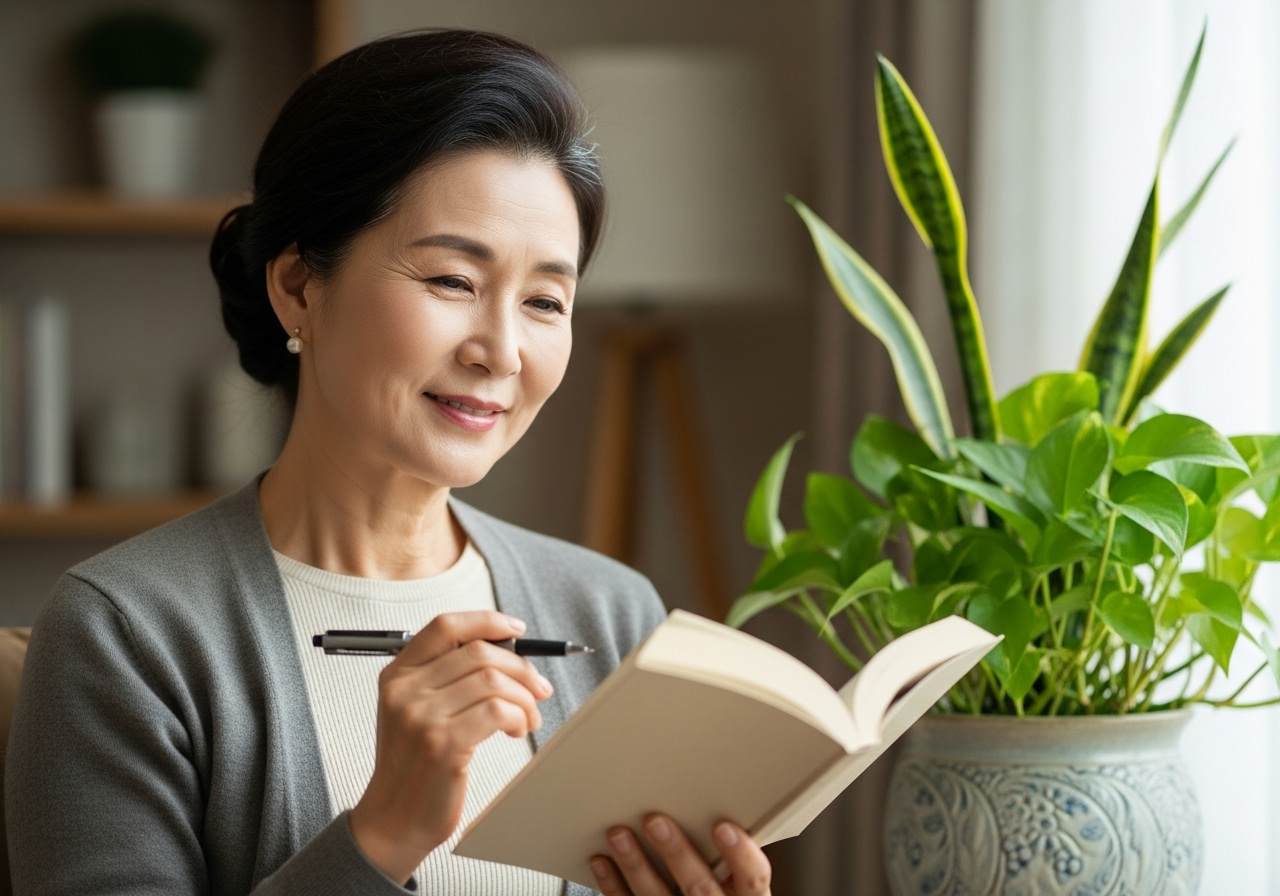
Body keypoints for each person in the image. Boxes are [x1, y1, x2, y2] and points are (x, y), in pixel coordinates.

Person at [5, 28, 773, 896]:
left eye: (546, 301)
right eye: (452, 281)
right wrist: (382, 833)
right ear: (299, 286)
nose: (501, 350)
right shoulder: (128, 633)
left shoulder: (610, 612)